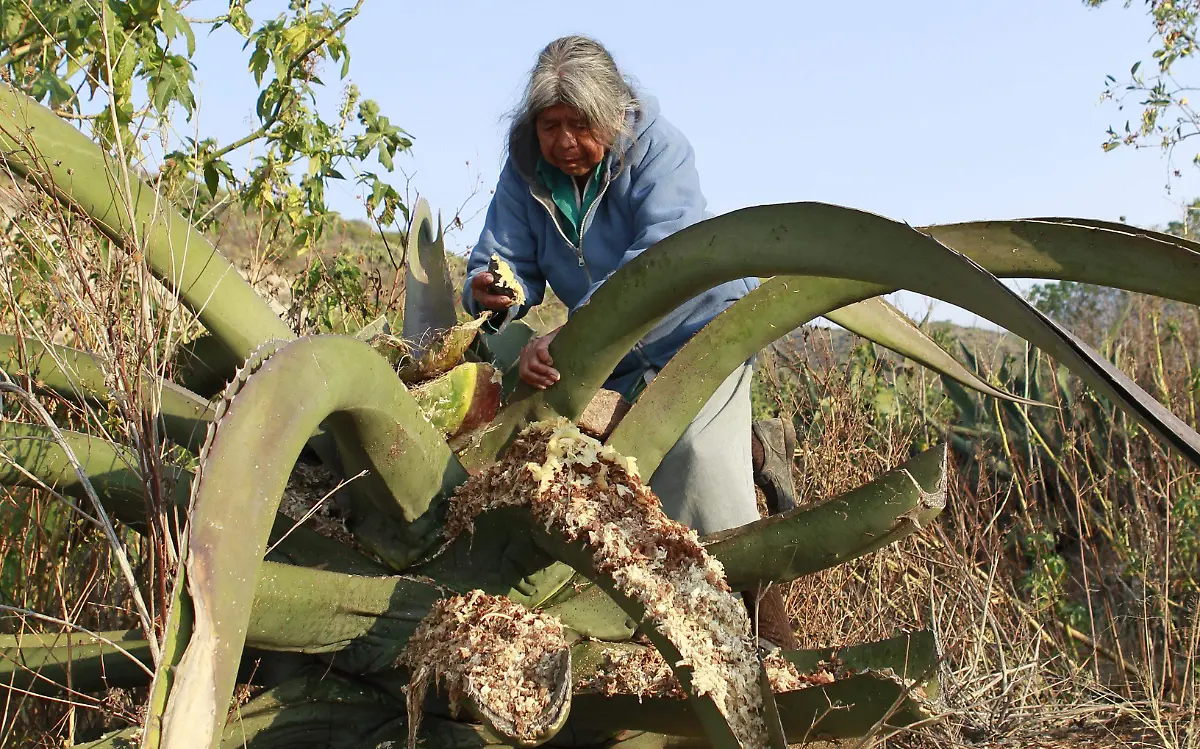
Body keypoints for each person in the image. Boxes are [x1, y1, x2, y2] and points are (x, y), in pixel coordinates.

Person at [462, 35, 797, 650]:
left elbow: (662, 263)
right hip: (609, 360)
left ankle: (765, 647)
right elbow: (502, 258)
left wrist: (572, 336)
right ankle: (643, 646)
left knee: (701, 471)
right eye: (549, 125)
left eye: (579, 124)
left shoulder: (660, 152)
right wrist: (488, 289)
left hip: (694, 335)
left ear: (613, 116)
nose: (564, 142)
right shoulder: (528, 170)